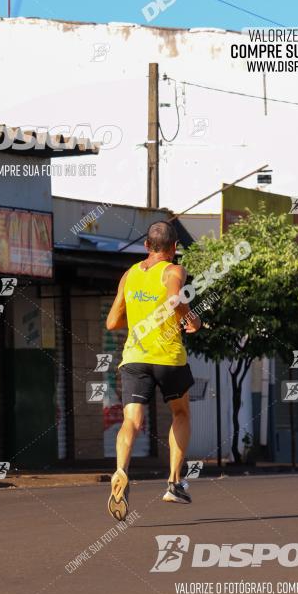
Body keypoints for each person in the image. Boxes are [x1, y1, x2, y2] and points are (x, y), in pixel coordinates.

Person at [105, 221, 201, 520]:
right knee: (181, 413)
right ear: (174, 249)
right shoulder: (174, 270)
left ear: (146, 246)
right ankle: (174, 482)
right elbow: (174, 299)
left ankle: (121, 470)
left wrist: (138, 320)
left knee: (131, 420)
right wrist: (192, 318)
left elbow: (111, 322)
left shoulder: (129, 274)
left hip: (134, 357)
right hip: (168, 358)